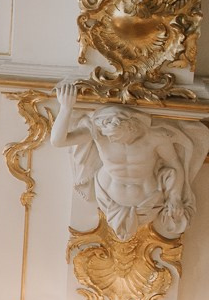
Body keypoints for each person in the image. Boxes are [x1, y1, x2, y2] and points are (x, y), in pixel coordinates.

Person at [51, 80, 209, 240]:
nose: (111, 139)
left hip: (148, 200)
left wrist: (175, 196)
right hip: (108, 197)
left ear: (130, 127)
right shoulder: (101, 134)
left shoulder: (155, 138)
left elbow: (175, 165)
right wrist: (66, 107)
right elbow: (58, 141)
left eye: (116, 136)